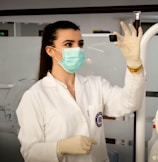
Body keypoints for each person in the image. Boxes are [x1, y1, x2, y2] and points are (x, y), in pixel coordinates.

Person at [16, 20, 145, 162]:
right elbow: (29, 152)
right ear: (50, 51)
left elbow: (129, 103)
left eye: (80, 44)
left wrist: (134, 63)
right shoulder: (34, 97)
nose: (77, 49)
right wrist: (59, 147)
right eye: (68, 44)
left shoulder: (96, 85)